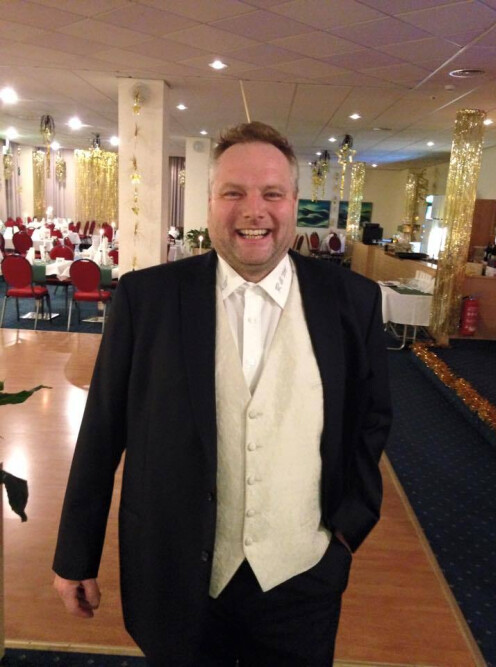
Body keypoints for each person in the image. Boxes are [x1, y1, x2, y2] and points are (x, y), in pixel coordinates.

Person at [53, 121, 392, 666]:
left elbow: (371, 419)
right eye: (234, 192)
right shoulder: (147, 299)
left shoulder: (352, 299)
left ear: (294, 201)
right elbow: (102, 430)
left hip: (303, 576)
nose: (253, 211)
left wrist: (349, 527)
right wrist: (76, 553)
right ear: (209, 201)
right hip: (175, 574)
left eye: (272, 193)